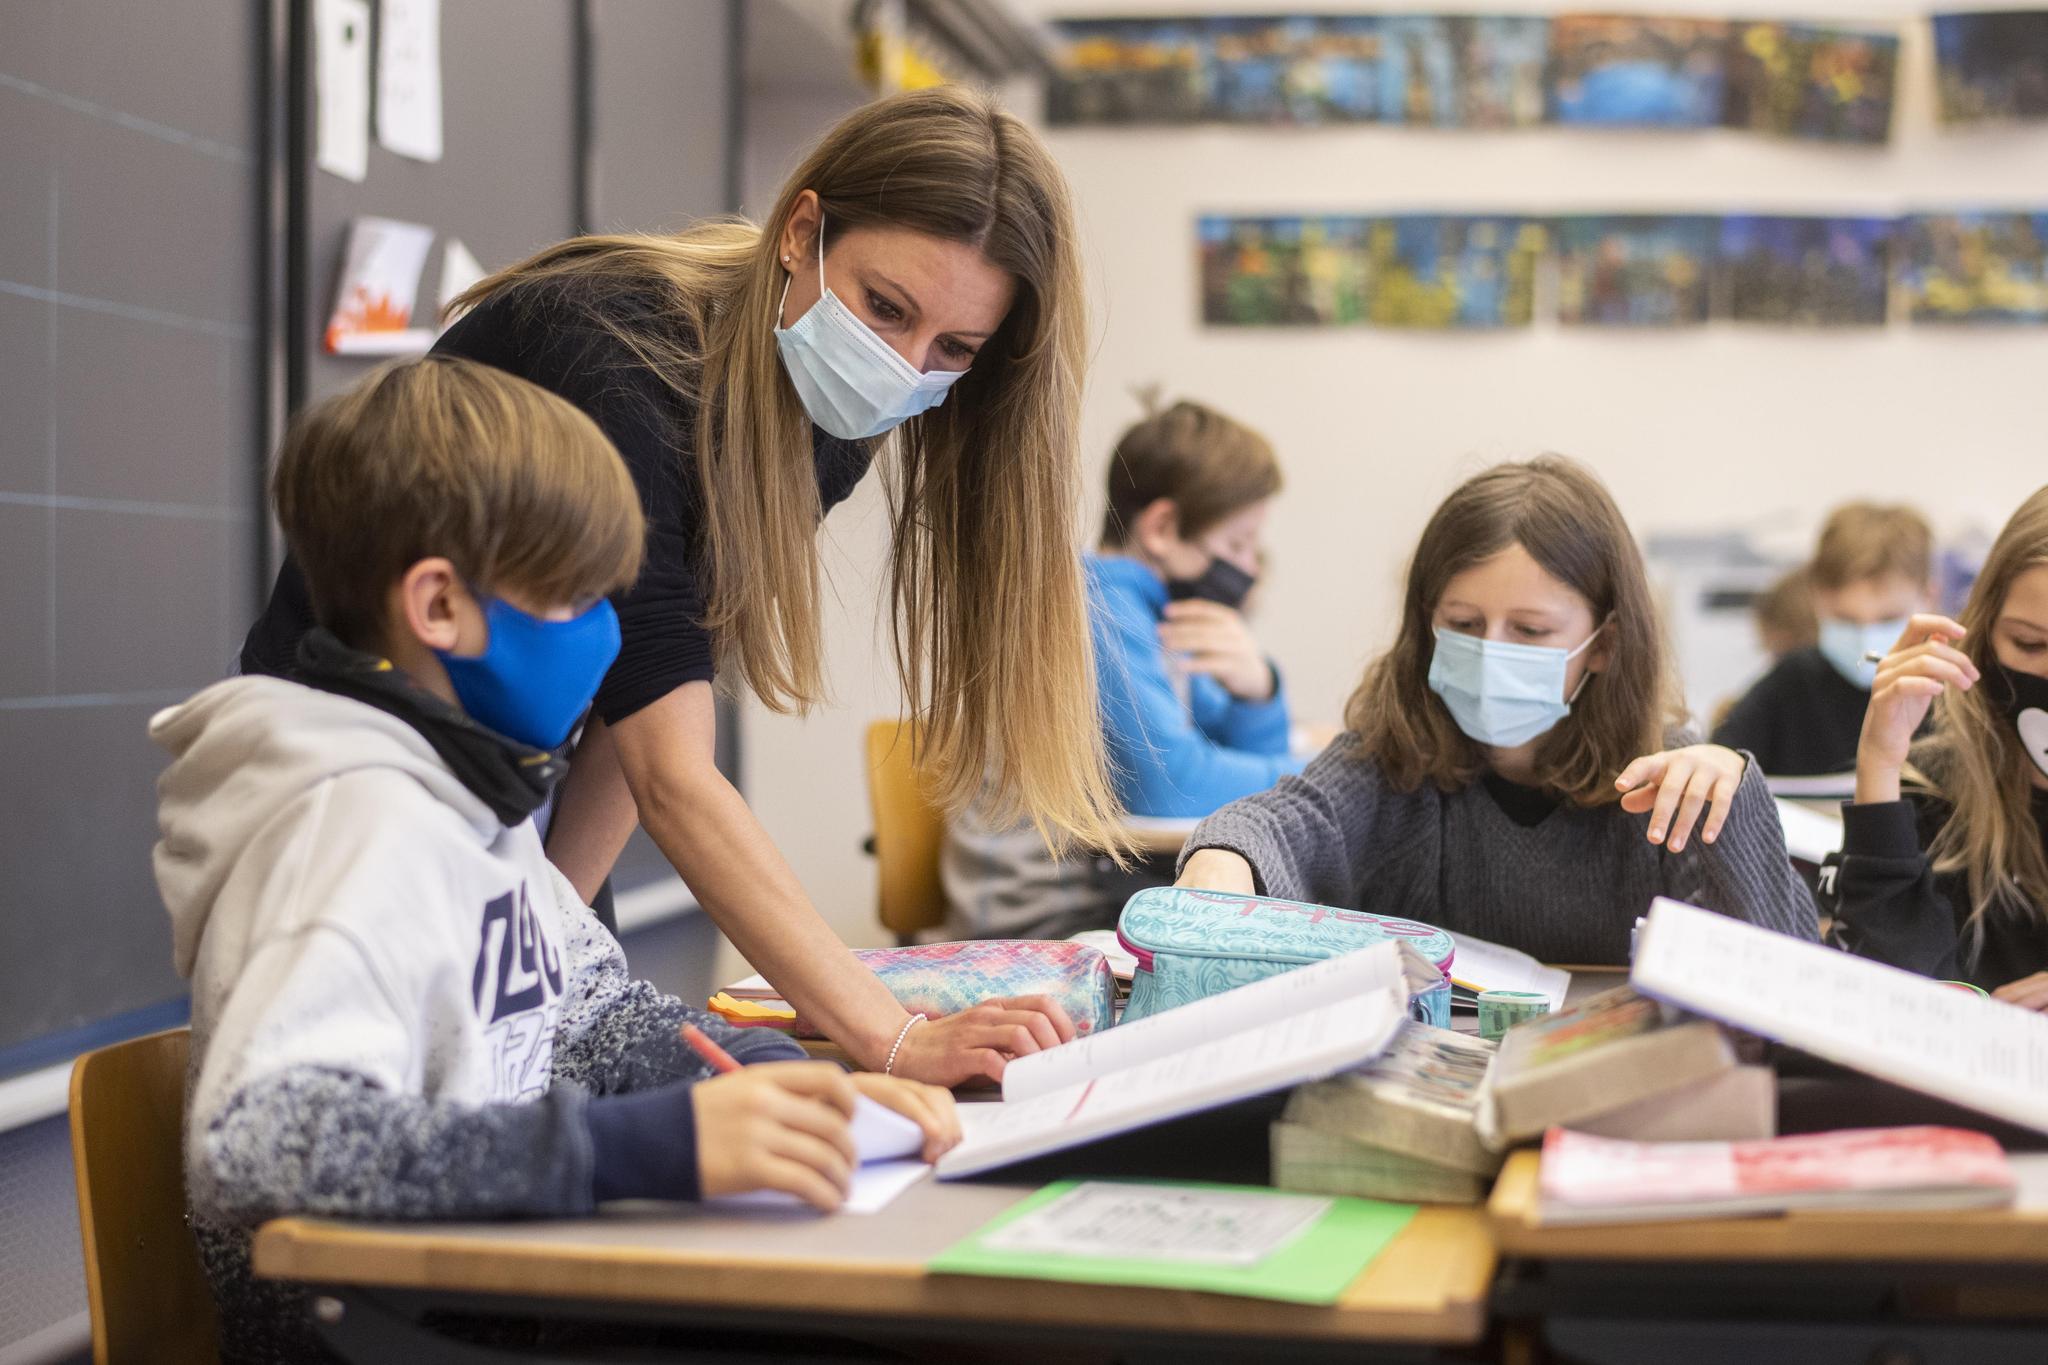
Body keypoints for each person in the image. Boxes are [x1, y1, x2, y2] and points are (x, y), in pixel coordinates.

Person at [239, 87, 1120, 1085]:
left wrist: (552, 939)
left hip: (516, 780)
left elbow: (634, 704)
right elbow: (672, 770)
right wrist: (892, 1037)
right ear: (802, 232)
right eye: (884, 307)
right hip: (371, 758)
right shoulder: (618, 359)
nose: (902, 367)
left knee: (560, 1053)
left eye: (951, 351)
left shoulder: (826, 417)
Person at [157, 359, 958, 1363]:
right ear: (438, 606)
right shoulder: (352, 828)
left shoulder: (471, 800)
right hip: (387, 1333)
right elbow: (260, 1146)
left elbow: (590, 1014)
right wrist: (641, 1147)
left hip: (503, 1290)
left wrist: (766, 1079)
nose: (607, 636)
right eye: (577, 598)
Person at [1174, 455, 1817, 963]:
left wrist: (1732, 802)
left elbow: (1780, 967)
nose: (1490, 652)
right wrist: (1222, 862)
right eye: (1464, 623)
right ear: (1428, 624)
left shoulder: (1665, 776)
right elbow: (1287, 821)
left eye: (1531, 631)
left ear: (1605, 644)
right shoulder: (1391, 762)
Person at [944, 399, 1304, 940]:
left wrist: (1257, 691)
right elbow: (1174, 787)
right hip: (1047, 921)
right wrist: (1313, 780)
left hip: (1110, 890)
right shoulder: (1096, 607)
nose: (1250, 569)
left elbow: (1221, 750)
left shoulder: (1153, 613)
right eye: (1236, 544)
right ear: (1162, 527)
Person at [1825, 485, 2048, 1006]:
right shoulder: (1936, 787)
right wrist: (1878, 763)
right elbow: (1890, 997)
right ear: (1985, 633)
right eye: (2030, 644)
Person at [1714, 503, 1934, 777]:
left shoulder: (1950, 694)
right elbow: (1719, 757)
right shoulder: (1792, 682)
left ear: (1928, 596)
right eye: (1846, 619)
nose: (1867, 639)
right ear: (1817, 597)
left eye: (1888, 619)